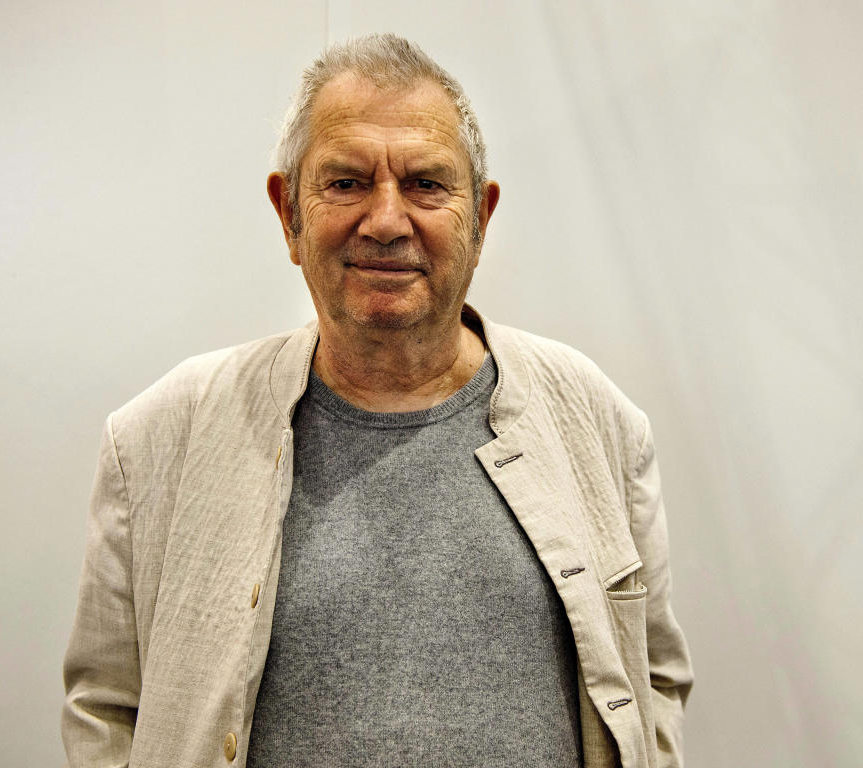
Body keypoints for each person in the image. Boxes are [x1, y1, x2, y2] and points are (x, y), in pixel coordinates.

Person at [62, 33, 692, 768]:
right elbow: (106, 706)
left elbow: (652, 680)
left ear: (481, 218)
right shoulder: (162, 438)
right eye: (346, 182)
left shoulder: (598, 423)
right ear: (287, 213)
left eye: (426, 183)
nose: (387, 221)